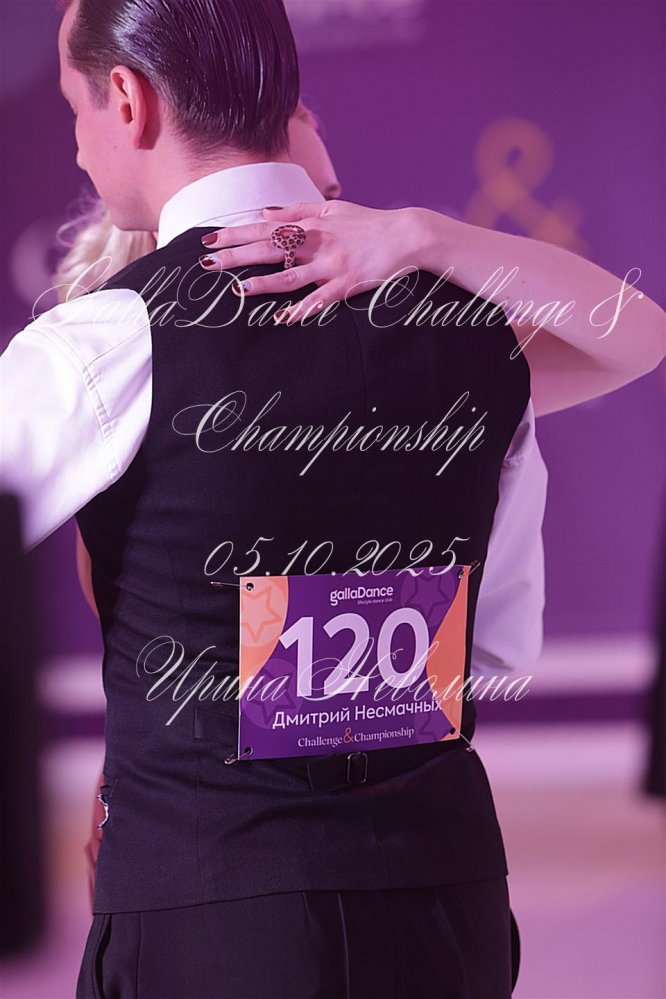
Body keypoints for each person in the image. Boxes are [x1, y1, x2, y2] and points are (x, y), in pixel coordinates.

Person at [1, 2, 663, 998]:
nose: (79, 147)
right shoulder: (470, 334)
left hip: (215, 916)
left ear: (127, 100)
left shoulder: (103, 343)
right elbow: (634, 333)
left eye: (74, 110)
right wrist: (429, 237)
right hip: (447, 907)